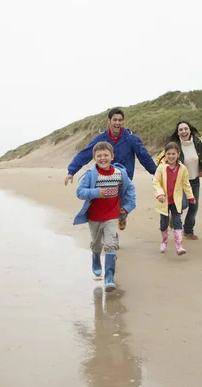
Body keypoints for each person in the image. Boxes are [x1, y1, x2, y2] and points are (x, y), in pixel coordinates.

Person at [65, 107, 155, 231]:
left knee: (122, 207)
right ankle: (112, 236)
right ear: (109, 121)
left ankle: (122, 217)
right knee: (108, 206)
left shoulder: (131, 138)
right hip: (104, 177)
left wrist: (155, 172)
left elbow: (144, 156)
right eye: (115, 120)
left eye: (120, 120)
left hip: (123, 179)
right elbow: (86, 153)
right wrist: (71, 171)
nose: (117, 123)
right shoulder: (101, 138)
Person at [73, 142, 136, 292]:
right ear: (94, 158)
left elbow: (131, 192)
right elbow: (79, 192)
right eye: (99, 156)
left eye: (106, 155)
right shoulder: (90, 174)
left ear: (112, 156)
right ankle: (95, 257)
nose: (103, 158)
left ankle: (109, 277)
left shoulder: (120, 174)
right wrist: (96, 192)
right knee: (96, 244)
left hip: (112, 216)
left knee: (111, 244)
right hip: (94, 216)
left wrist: (126, 209)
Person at [153, 142, 196, 255]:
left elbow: (186, 184)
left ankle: (179, 246)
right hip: (163, 201)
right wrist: (160, 194)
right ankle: (164, 241)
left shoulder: (183, 169)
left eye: (173, 153)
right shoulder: (161, 168)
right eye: (168, 154)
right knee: (164, 223)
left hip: (176, 200)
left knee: (177, 221)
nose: (171, 156)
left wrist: (190, 197)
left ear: (178, 154)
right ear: (165, 155)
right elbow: (156, 182)